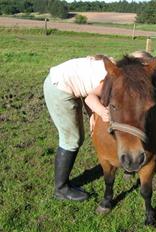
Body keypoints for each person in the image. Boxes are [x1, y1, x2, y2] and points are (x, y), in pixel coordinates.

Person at [43, 55, 111, 201]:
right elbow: (90, 97)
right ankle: (61, 189)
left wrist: (92, 114)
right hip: (60, 89)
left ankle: (62, 186)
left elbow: (88, 88)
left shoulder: (109, 64)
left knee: (74, 137)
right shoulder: (111, 79)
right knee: (72, 139)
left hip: (58, 80)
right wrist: (103, 113)